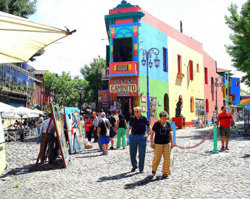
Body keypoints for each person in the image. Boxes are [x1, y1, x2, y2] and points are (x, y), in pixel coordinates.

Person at [150, 111, 174, 179]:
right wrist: (151, 142)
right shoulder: (156, 124)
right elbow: (152, 134)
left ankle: (165, 173)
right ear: (160, 118)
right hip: (158, 144)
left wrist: (172, 142)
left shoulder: (168, 124)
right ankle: (154, 170)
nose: (164, 120)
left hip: (167, 143)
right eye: (163, 119)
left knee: (167, 158)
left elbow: (170, 133)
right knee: (157, 158)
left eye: (165, 119)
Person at [128, 106, 151, 173]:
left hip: (142, 137)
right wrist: (129, 134)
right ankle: (134, 166)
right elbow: (129, 127)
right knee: (132, 153)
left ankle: (141, 168)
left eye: (137, 111)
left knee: (141, 153)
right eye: (135, 111)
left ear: (140, 111)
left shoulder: (144, 119)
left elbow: (149, 127)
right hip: (133, 137)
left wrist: (147, 134)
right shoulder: (132, 118)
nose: (136, 113)